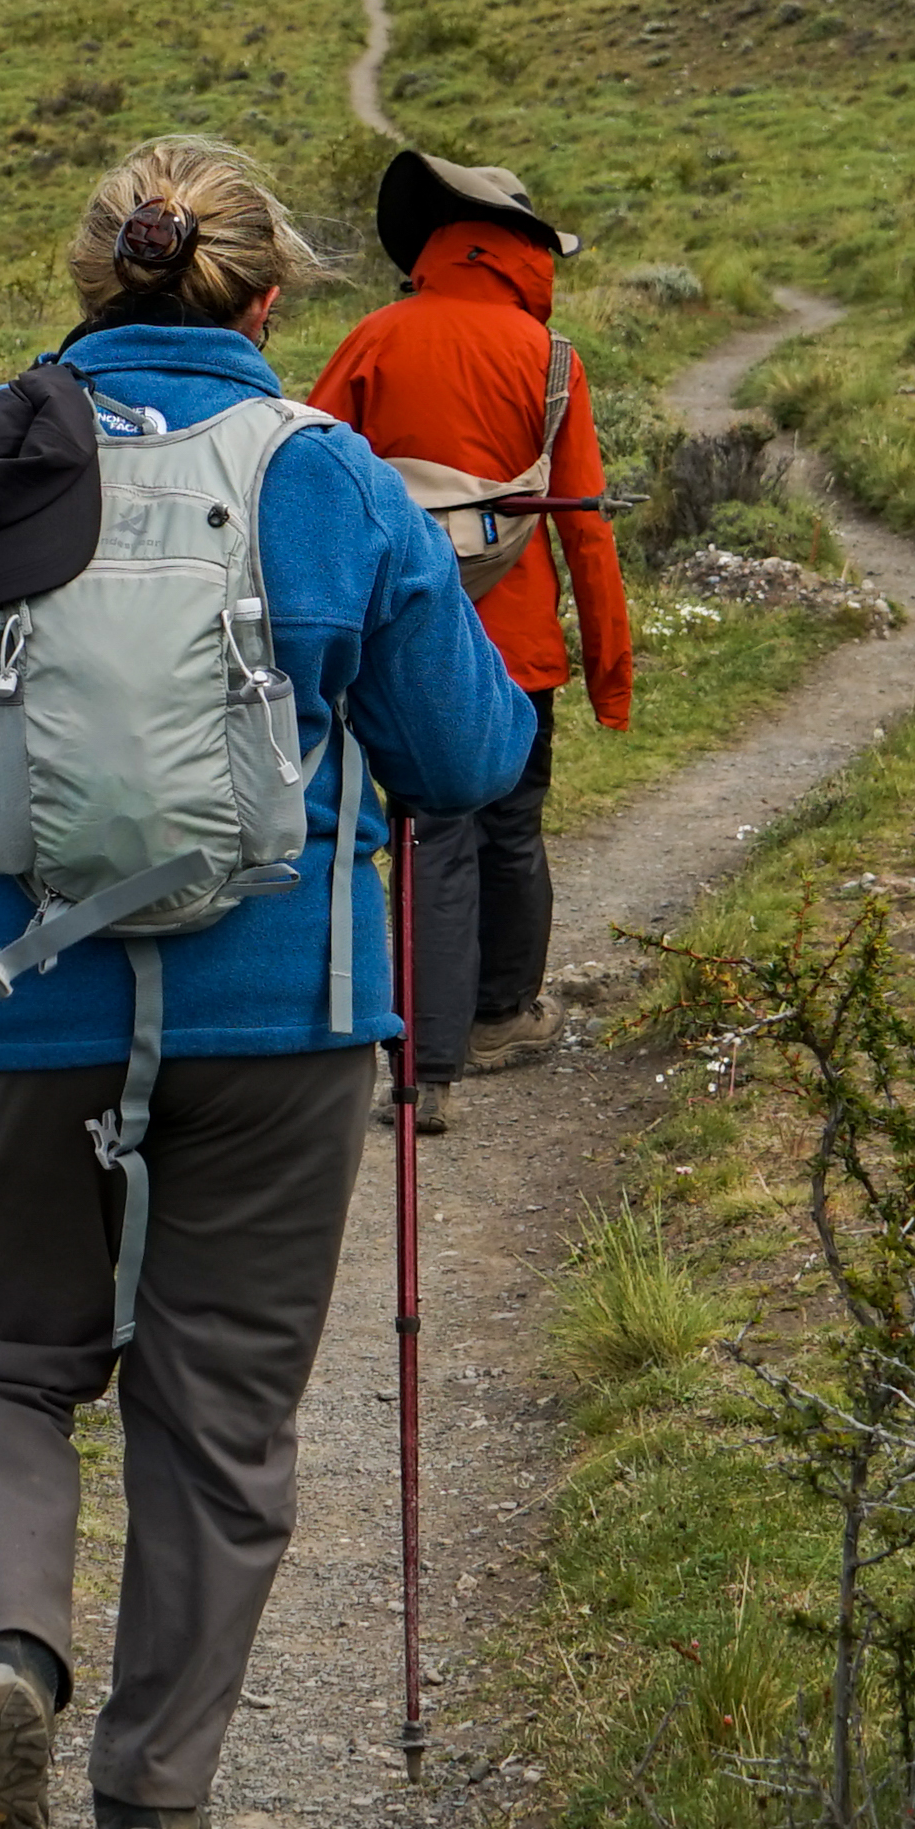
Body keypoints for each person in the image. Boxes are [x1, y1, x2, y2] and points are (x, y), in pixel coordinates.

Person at [0, 137, 541, 1829]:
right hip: (281, 1019)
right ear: (264, 306)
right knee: (221, 1406)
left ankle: (3, 1660)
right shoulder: (325, 473)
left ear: (84, 279)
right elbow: (468, 755)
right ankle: (156, 1808)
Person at [308, 150, 631, 1130]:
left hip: (402, 645)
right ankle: (502, 1015)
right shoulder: (550, 358)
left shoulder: (372, 339)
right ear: (523, 252)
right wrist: (609, 674)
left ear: (437, 244)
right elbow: (585, 530)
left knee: (427, 835)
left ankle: (426, 1061)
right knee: (512, 827)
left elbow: (306, 487)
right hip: (518, 646)